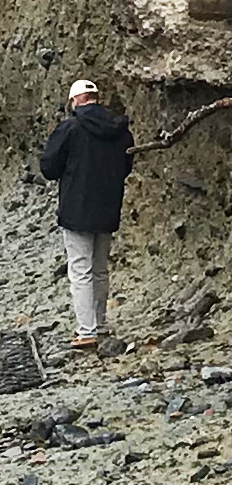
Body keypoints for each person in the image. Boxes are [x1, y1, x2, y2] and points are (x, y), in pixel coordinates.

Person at [39, 80, 134, 348]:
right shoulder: (120, 130)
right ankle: (100, 325)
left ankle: (87, 330)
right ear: (95, 98)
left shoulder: (70, 128)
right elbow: (126, 165)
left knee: (80, 269)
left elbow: (49, 166)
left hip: (77, 208)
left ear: (75, 101)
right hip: (108, 206)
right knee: (100, 269)